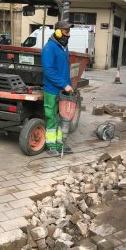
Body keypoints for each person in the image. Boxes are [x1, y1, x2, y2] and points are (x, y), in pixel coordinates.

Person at [42, 21, 74, 157]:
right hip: (52, 90)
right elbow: (48, 70)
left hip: (63, 89)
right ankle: (51, 146)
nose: (69, 35)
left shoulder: (63, 47)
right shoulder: (50, 48)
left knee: (63, 118)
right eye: (67, 32)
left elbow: (64, 69)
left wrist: (68, 85)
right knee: (51, 117)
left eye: (69, 32)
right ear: (58, 32)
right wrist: (63, 84)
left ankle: (60, 144)